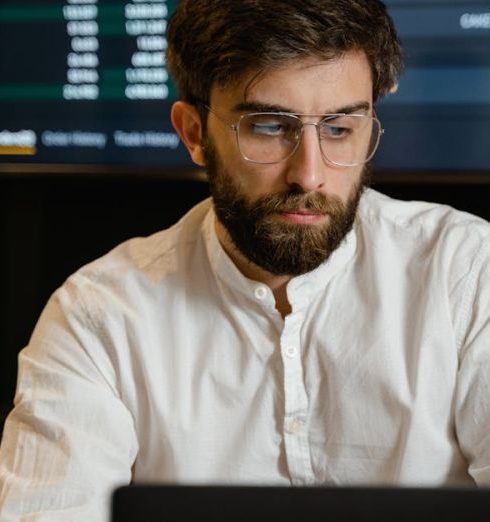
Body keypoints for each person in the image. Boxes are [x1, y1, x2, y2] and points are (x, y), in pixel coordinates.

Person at [1, 0, 490, 520]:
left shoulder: (465, 271)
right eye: (268, 127)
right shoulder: (98, 318)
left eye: (339, 130)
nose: (310, 174)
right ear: (193, 134)